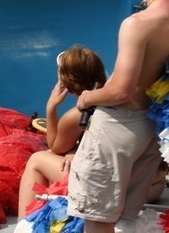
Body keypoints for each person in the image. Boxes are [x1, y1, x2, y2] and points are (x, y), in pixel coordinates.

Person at [68, 0, 169, 232]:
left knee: (98, 219)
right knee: (127, 219)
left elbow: (121, 91)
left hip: (119, 127)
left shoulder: (138, 23)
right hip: (151, 126)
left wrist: (88, 97)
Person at [17, 45, 107, 217]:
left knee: (37, 159)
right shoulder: (118, 99)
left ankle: (24, 223)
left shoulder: (76, 116)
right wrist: (75, 149)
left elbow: (56, 147)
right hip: (149, 187)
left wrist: (51, 108)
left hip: (106, 189)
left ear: (66, 83)